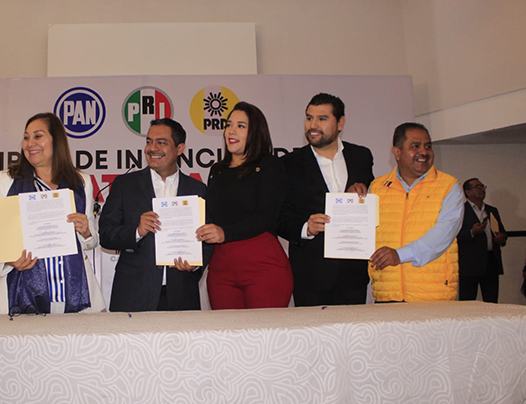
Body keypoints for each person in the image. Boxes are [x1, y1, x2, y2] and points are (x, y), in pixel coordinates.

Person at [0, 113, 105, 314]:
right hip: (20, 289)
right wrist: (8, 260)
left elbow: (91, 241)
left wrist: (86, 232)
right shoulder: (7, 180)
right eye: (26, 137)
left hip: (73, 289)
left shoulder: (81, 182)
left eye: (38, 136)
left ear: (56, 141)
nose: (30, 143)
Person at [99, 118, 208, 312]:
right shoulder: (125, 185)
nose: (152, 148)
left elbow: (207, 241)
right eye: (149, 141)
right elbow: (106, 234)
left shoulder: (198, 190)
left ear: (180, 148)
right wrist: (136, 231)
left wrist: (195, 265)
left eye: (161, 142)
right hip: (133, 295)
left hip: (181, 296)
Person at [278, 93, 374, 306]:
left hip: (353, 274)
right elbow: (279, 216)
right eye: (309, 118)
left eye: (322, 119)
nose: (313, 125)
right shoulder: (288, 164)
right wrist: (306, 228)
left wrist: (365, 191)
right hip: (310, 276)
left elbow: (374, 204)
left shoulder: (361, 157)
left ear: (340, 123)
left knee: (355, 328)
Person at [196, 102, 293, 309]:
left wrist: (225, 233)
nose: (231, 131)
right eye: (229, 125)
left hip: (263, 266)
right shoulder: (217, 170)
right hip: (221, 269)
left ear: (255, 132)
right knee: (227, 330)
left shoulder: (269, 165)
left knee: (264, 330)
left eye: (241, 126)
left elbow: (267, 216)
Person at [369, 122, 464, 302]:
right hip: (387, 293)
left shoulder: (449, 186)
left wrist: (400, 255)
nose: (424, 152)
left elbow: (444, 233)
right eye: (415, 146)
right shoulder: (377, 188)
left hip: (433, 295)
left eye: (428, 146)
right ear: (397, 153)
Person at [457, 178, 507, 303]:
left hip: (491, 262)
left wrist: (501, 238)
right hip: (469, 264)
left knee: (492, 302)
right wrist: (472, 232)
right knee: (467, 302)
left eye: (482, 186)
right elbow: (454, 236)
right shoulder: (460, 211)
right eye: (477, 187)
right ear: (467, 192)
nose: (481, 189)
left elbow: (502, 232)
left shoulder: (492, 210)